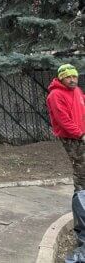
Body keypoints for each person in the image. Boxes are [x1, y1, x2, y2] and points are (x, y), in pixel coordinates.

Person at [46, 64, 85, 247]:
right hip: (73, 138)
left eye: (74, 76)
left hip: (81, 136)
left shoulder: (77, 91)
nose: (72, 80)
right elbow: (63, 119)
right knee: (81, 175)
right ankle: (82, 225)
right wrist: (80, 134)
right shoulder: (55, 95)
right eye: (68, 77)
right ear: (61, 78)